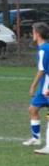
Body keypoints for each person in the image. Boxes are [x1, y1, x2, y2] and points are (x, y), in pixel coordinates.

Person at [25, 22, 49, 154]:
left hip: (47, 88)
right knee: (33, 109)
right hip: (44, 88)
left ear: (38, 34)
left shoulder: (43, 50)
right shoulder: (46, 48)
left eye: (33, 32)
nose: (32, 35)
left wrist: (32, 86)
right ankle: (36, 139)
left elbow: (41, 70)